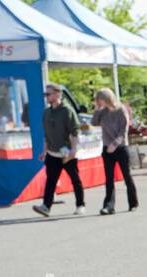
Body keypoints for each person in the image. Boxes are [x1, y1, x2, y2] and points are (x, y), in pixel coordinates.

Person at [32, 84, 84, 217]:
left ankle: (80, 205)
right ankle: (46, 206)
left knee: (75, 179)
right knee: (50, 180)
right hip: (52, 152)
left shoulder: (67, 110)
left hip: (66, 153)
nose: (46, 97)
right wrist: (44, 151)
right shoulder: (46, 112)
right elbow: (46, 135)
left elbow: (75, 132)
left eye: (49, 94)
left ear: (58, 94)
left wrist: (73, 150)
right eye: (46, 94)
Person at [91, 87, 136, 215]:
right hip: (107, 148)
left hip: (120, 147)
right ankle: (109, 206)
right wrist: (97, 110)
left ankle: (133, 202)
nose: (98, 102)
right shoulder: (102, 111)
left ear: (107, 99)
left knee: (126, 176)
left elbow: (124, 131)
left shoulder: (121, 110)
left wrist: (115, 144)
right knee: (109, 178)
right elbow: (94, 122)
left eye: (99, 100)